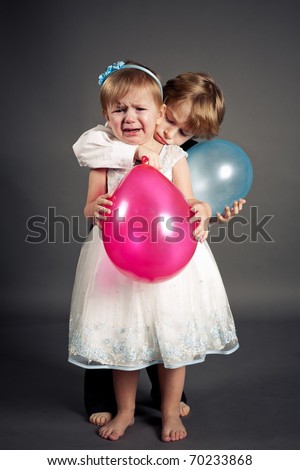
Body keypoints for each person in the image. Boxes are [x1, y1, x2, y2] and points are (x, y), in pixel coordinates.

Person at [69, 61, 239, 442]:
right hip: (118, 258)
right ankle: (125, 410)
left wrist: (208, 209)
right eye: (172, 122)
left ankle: (168, 410)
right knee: (124, 333)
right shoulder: (107, 149)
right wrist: (94, 209)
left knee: (171, 335)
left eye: (184, 131)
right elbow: (89, 204)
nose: (172, 133)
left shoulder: (175, 155)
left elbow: (188, 200)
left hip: (171, 262)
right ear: (162, 108)